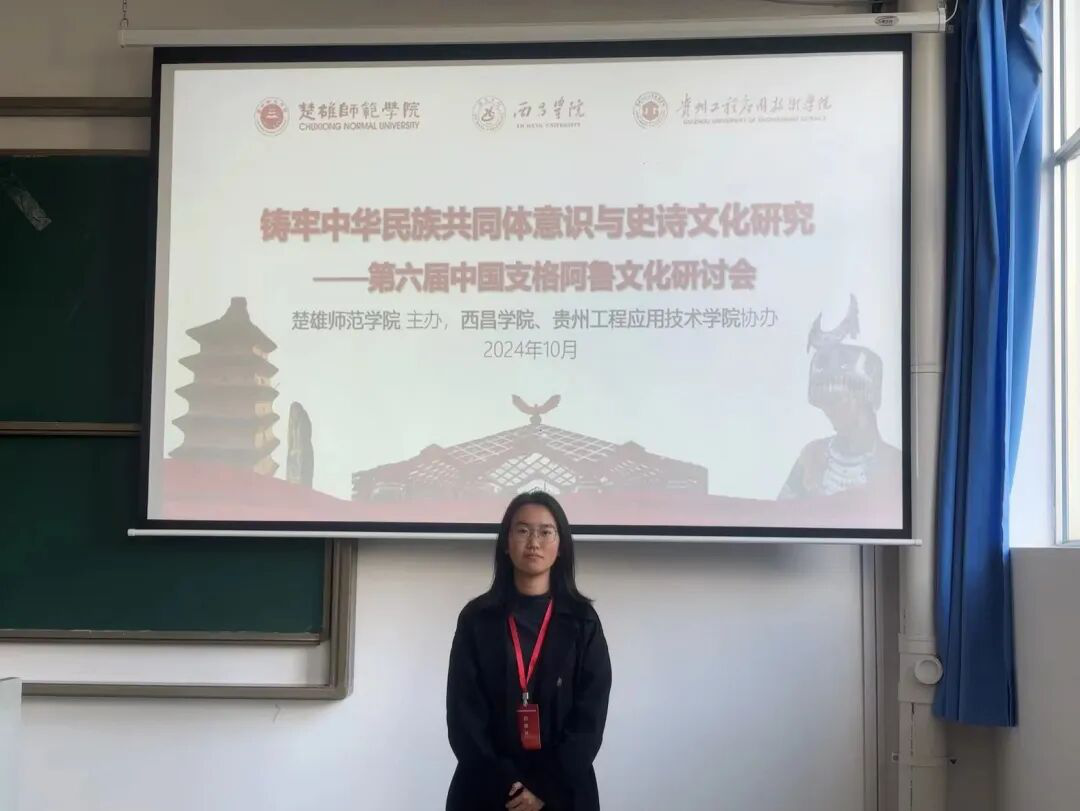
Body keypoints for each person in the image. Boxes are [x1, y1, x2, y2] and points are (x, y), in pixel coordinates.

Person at [446, 491, 612, 811]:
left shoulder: (583, 622)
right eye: (523, 530)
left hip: (563, 793)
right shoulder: (476, 620)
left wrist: (543, 789)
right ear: (506, 544)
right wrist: (510, 788)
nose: (534, 542)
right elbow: (464, 718)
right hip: (486, 792)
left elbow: (589, 720)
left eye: (545, 532)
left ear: (561, 546)